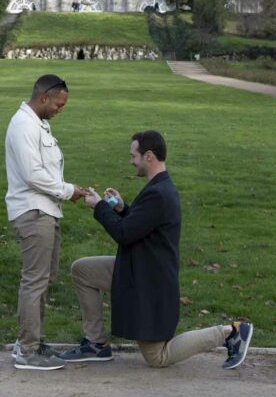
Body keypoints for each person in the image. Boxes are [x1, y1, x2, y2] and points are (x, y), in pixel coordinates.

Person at [59, 130, 254, 369]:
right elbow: (140, 225)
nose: (131, 161)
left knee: (157, 357)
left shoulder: (159, 193)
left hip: (148, 281)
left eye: (134, 156)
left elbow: (124, 234)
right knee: (83, 270)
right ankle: (96, 344)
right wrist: (121, 208)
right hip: (138, 267)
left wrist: (100, 207)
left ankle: (229, 332)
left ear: (149, 156)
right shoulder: (159, 187)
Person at [4, 74, 88, 371]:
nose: (60, 109)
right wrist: (67, 190)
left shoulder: (38, 124)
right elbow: (33, 175)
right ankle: (27, 350)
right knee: (35, 281)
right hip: (33, 212)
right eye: (58, 104)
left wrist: (67, 190)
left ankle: (31, 342)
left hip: (44, 210)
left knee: (43, 279)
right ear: (43, 98)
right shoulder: (24, 125)